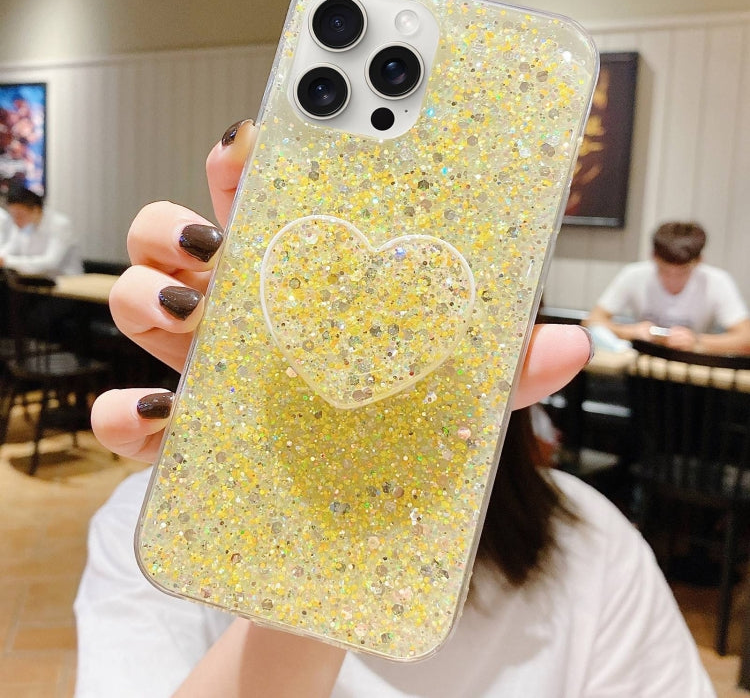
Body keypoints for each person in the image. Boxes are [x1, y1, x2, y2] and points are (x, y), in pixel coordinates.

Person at [75, 120, 715, 697]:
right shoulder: (163, 528)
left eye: (422, 308)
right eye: (329, 301)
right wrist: (323, 532)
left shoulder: (595, 547)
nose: (367, 344)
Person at [585, 221, 750, 355]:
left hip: (692, 367)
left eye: (683, 271)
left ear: (700, 261)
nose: (673, 277)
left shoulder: (717, 281)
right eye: (664, 270)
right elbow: (592, 320)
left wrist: (697, 341)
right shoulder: (634, 274)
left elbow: (745, 339)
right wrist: (630, 332)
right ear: (653, 256)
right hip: (643, 366)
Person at [0, 184, 83, 276]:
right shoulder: (23, 225)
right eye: (12, 215)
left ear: (36, 210)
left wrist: (6, 261)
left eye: (19, 215)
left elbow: (50, 262)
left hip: (64, 280)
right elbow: (10, 248)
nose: (15, 220)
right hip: (31, 279)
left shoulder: (59, 224)